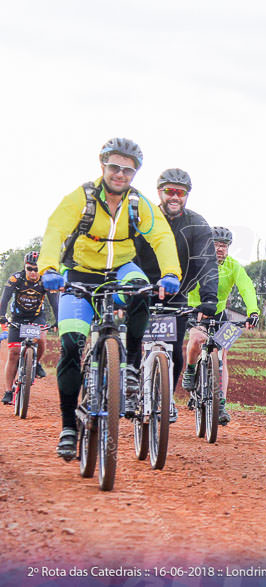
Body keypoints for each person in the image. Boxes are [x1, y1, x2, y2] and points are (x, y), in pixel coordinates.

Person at [39, 137, 181, 460]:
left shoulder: (137, 203)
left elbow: (160, 235)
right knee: (72, 346)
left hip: (120, 270)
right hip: (80, 272)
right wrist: (48, 268)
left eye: (128, 170)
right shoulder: (81, 198)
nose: (120, 174)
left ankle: (130, 366)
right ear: (103, 165)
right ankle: (68, 428)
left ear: (135, 174)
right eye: (115, 167)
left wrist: (171, 273)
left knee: (141, 288)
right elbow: (55, 229)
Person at [135, 168, 219, 423]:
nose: (174, 197)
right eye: (169, 191)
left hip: (177, 292)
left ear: (187, 196)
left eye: (180, 192)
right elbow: (129, 252)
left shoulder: (196, 223)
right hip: (141, 288)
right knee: (132, 342)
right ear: (159, 192)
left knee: (174, 350)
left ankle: (166, 398)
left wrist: (209, 297)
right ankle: (130, 387)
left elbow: (207, 261)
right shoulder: (143, 218)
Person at [184, 226, 259, 425]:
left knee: (223, 353)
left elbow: (247, 287)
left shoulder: (233, 266)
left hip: (220, 314)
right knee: (198, 339)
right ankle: (190, 370)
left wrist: (253, 311)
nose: (220, 249)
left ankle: (221, 404)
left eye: (224, 246)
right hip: (196, 310)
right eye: (216, 245)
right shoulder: (197, 263)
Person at [1, 251, 59, 404]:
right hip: (18, 317)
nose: (33, 272)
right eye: (30, 269)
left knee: (41, 340)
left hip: (36, 316)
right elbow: (5, 297)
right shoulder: (16, 278)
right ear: (24, 268)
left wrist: (58, 320)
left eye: (36, 269)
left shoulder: (45, 280)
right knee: (13, 353)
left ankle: (35, 362)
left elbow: (54, 301)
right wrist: (1, 316)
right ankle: (8, 391)